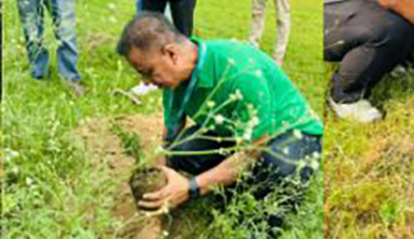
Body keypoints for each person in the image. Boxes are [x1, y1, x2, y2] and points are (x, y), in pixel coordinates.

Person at [118, 14, 322, 226]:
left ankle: (257, 217)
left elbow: (253, 150)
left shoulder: (239, 72)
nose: (146, 82)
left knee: (274, 174)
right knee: (182, 151)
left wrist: (192, 188)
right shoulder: (174, 81)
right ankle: (228, 184)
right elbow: (172, 131)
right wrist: (163, 172)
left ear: (171, 53)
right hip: (237, 132)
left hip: (291, 133)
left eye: (148, 72)